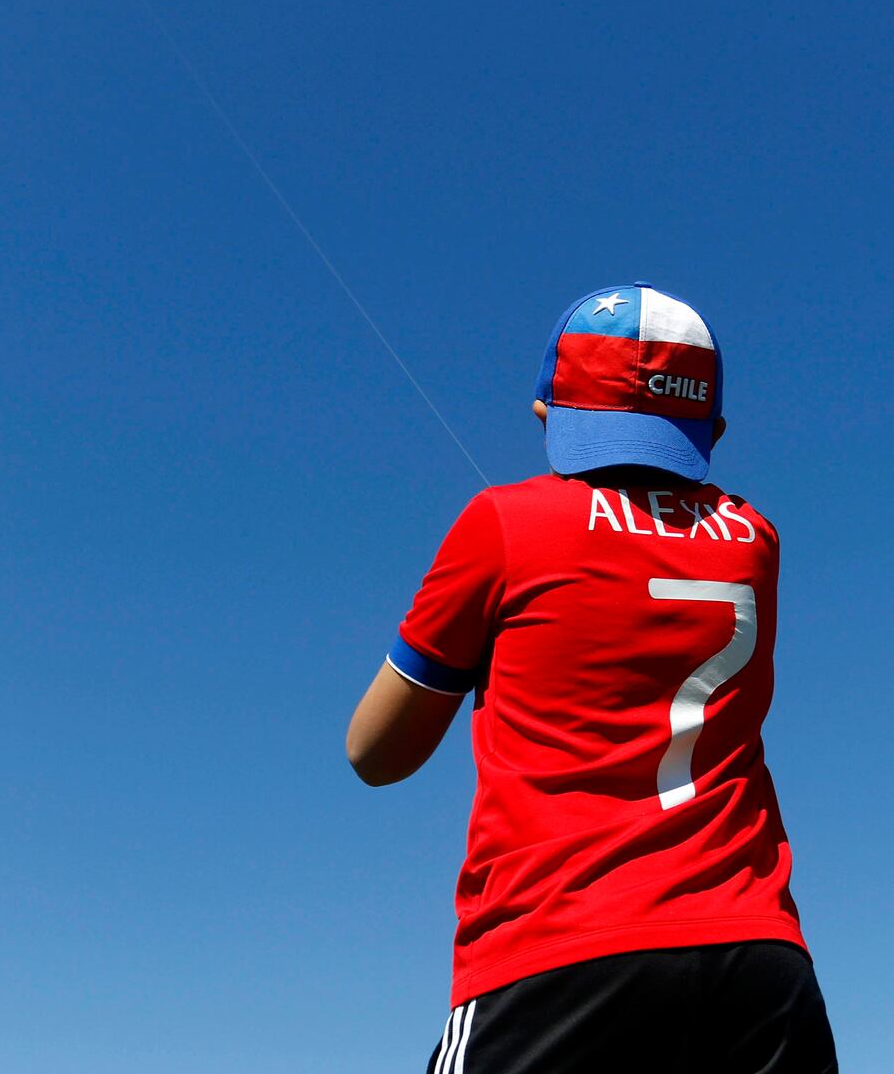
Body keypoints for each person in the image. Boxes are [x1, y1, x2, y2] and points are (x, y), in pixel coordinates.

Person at [346, 284, 838, 1073]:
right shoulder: (757, 540)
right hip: (759, 965)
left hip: (556, 951)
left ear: (546, 410)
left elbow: (375, 754)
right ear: (712, 429)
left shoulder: (504, 522)